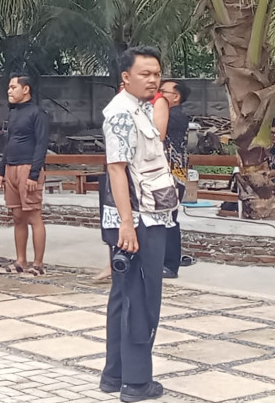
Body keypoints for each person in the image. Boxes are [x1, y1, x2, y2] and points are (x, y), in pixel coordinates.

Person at [100, 46, 177, 402]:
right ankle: (136, 382)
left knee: (125, 296)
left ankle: (115, 375)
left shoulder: (142, 109)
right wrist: (127, 225)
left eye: (156, 73)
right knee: (141, 299)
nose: (152, 79)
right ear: (125, 77)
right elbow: (117, 170)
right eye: (145, 73)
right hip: (139, 220)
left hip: (147, 214)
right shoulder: (120, 114)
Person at [0, 74, 50, 275]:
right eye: (9, 88)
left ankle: (38, 264)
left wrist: (34, 174)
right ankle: (21, 260)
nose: (9, 91)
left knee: (33, 215)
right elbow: (8, 143)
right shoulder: (13, 114)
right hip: (11, 168)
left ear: (25, 90)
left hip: (28, 168)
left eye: (13, 87)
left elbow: (41, 145)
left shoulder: (37, 113)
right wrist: (1, 170)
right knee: (17, 216)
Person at [159, 79, 192, 279]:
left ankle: (170, 265)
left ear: (176, 97)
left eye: (163, 91)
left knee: (169, 219)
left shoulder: (176, 116)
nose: (158, 95)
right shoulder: (168, 113)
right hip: (165, 174)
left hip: (172, 175)